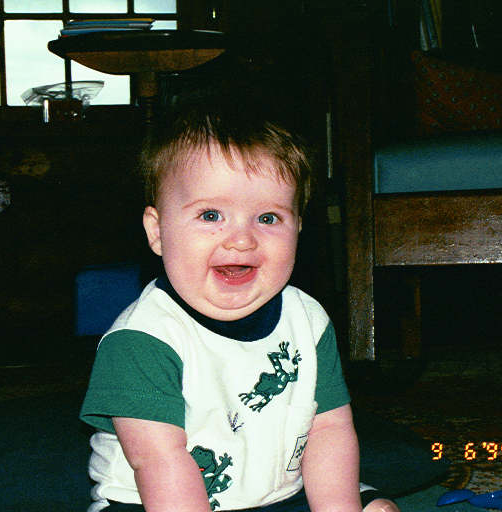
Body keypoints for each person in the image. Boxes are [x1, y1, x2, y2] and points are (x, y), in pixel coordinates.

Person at [79, 100, 400, 512]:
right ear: (157, 232)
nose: (242, 239)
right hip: (156, 500)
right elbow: (159, 461)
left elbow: (329, 430)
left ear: (299, 228)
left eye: (268, 218)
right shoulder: (142, 341)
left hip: (277, 493)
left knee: (372, 507)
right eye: (211, 215)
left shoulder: (308, 319)